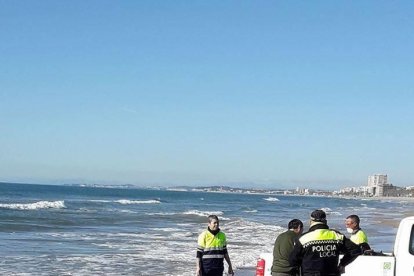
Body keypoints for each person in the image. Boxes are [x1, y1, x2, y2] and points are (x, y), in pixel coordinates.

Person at [289, 209, 361, 276]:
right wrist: (342, 263)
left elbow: (293, 261)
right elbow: (356, 250)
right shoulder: (337, 236)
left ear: (311, 222)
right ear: (325, 222)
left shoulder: (303, 238)